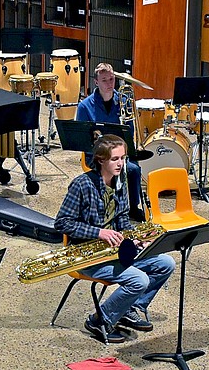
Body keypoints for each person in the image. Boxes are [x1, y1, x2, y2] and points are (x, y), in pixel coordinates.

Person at [55, 133, 174, 344]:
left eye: (123, 158)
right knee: (139, 280)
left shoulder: (121, 181)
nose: (121, 164)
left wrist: (135, 239)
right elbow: (62, 223)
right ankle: (99, 320)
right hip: (89, 255)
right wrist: (99, 232)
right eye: (115, 159)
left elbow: (122, 219)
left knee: (165, 263)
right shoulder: (81, 185)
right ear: (101, 159)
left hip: (116, 249)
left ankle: (130, 308)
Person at [75, 63, 145, 221]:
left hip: (120, 151)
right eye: (104, 80)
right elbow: (82, 139)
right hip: (96, 155)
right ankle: (109, 209)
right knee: (115, 167)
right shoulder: (84, 106)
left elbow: (130, 132)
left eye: (112, 79)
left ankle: (133, 207)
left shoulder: (124, 101)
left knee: (133, 169)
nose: (109, 83)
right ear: (96, 82)